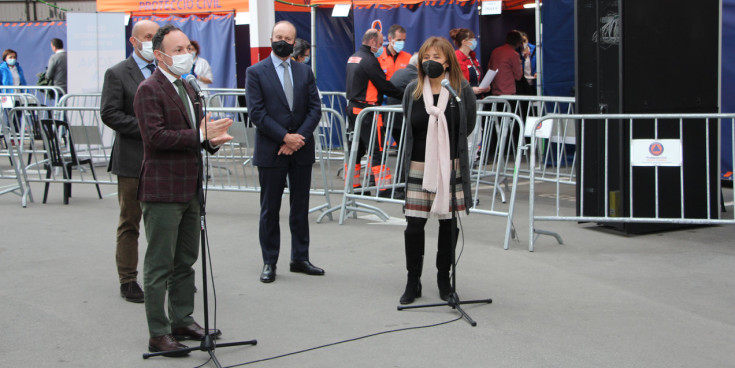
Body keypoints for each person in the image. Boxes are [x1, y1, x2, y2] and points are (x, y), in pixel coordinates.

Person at [134, 24, 233, 356]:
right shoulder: (150, 89)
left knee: (186, 259)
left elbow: (197, 133)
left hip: (190, 187)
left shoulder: (190, 89)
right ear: (160, 55)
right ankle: (158, 332)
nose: (185, 55)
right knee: (159, 263)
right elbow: (157, 137)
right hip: (162, 190)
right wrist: (199, 136)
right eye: (177, 50)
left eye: (188, 48)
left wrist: (211, 138)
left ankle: (182, 319)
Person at [398, 36, 476, 305]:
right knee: (414, 227)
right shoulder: (413, 90)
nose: (430, 62)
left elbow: (469, 124)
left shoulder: (460, 90)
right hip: (419, 166)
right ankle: (413, 281)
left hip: (449, 166)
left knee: (448, 225)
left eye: (436, 58)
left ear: (448, 62)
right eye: (426, 57)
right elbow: (409, 125)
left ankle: (445, 281)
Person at [246, 21, 324, 284]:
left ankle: (300, 258)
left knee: (300, 207)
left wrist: (297, 139)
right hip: (272, 150)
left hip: (301, 150)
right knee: (270, 208)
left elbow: (315, 109)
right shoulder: (255, 72)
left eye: (287, 37)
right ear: (271, 39)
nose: (283, 41)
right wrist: (284, 137)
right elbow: (257, 113)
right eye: (278, 36)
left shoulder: (304, 72)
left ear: (294, 42)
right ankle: (269, 261)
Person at [100, 20, 160, 304]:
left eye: (156, 36)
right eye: (148, 37)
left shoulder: (166, 69)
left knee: (162, 223)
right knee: (130, 222)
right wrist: (147, 127)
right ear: (134, 41)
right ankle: (128, 279)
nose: (153, 41)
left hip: (164, 162)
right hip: (132, 160)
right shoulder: (117, 73)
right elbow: (110, 113)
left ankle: (163, 275)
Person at [345, 29, 403, 193]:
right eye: (379, 44)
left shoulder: (353, 57)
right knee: (376, 149)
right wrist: (404, 94)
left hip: (353, 108)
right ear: (371, 42)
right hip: (368, 111)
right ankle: (383, 189)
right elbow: (383, 85)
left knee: (356, 149)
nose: (381, 47)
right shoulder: (369, 61)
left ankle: (353, 185)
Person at [450, 28, 490, 96]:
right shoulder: (455, 58)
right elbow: (453, 82)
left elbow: (478, 78)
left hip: (477, 99)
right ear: (464, 42)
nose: (475, 41)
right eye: (472, 39)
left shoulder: (473, 58)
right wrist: (470, 90)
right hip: (463, 99)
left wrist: (485, 87)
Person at [488, 30, 523, 96]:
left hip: (495, 91)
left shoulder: (495, 51)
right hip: (508, 93)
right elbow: (518, 76)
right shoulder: (514, 54)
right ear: (518, 43)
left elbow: (490, 69)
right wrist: (520, 63)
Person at [517, 31, 537, 96]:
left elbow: (540, 63)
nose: (523, 44)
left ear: (528, 40)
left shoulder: (535, 49)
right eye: (520, 42)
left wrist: (537, 72)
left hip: (534, 81)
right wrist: (523, 57)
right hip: (523, 83)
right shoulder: (516, 52)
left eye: (524, 41)